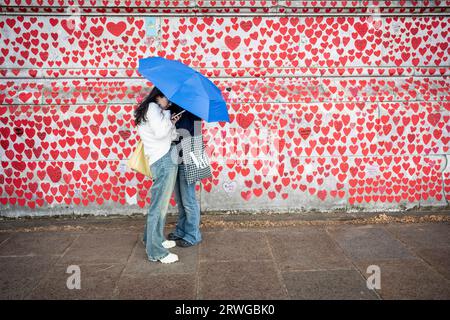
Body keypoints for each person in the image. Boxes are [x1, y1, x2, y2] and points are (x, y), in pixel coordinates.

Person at [134, 86, 182, 264]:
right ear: (158, 96)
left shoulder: (155, 110)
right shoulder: (153, 108)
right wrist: (169, 118)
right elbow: (161, 132)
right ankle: (156, 252)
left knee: (160, 205)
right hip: (163, 161)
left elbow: (167, 136)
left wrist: (172, 122)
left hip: (163, 158)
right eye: (167, 99)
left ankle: (153, 239)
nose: (169, 103)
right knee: (159, 206)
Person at [167, 103, 203, 247]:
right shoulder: (173, 109)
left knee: (189, 200)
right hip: (174, 156)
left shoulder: (194, 109)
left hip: (190, 156)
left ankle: (193, 235)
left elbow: (192, 133)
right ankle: (181, 230)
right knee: (180, 199)